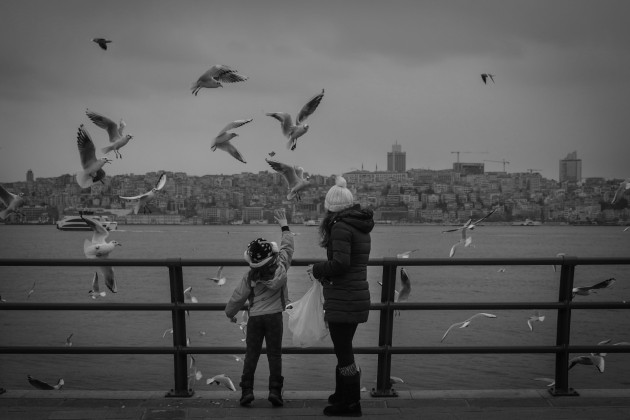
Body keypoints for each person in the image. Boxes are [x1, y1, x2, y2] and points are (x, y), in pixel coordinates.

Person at [307, 176, 374, 417]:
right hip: (355, 294)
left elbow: (341, 263)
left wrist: (316, 269)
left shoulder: (340, 227)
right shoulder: (359, 225)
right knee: (343, 348)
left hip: (345, 296)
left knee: (343, 350)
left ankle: (351, 404)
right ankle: (342, 395)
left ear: (330, 206)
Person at [225, 208, 294, 407]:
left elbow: (238, 297)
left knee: (251, 354)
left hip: (255, 318)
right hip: (274, 318)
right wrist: (284, 226)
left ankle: (247, 391)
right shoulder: (281, 266)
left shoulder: (250, 276)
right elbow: (288, 248)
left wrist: (230, 313)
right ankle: (275, 391)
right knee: (275, 355)